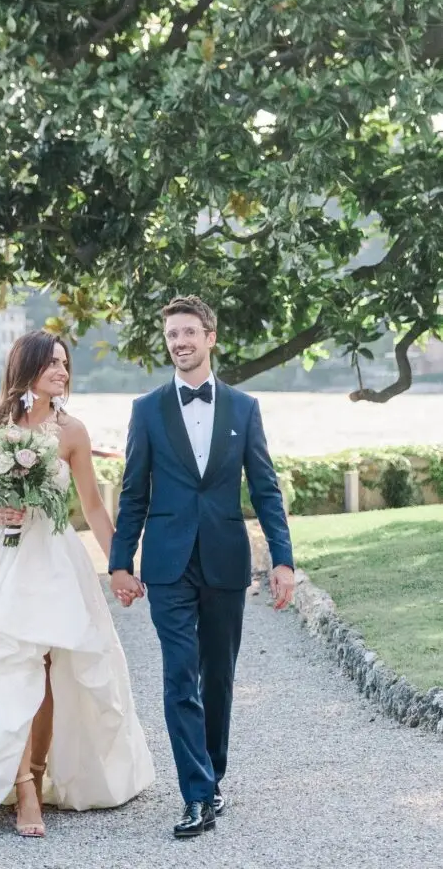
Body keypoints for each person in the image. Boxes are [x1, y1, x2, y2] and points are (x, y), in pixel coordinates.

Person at [0, 330, 154, 837]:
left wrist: (121, 565)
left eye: (66, 363)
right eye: (53, 363)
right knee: (4, 664)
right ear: (27, 368)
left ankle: (35, 780)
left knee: (45, 664)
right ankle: (19, 788)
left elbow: (92, 507)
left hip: (52, 556)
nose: (63, 371)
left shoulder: (72, 431)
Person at [109, 295, 295, 839]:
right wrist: (121, 563)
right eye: (172, 335)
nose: (180, 342)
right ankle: (195, 794)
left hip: (225, 561)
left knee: (219, 675)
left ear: (210, 337)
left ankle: (213, 776)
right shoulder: (146, 410)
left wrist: (282, 560)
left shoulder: (244, 409)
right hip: (166, 564)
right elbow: (133, 493)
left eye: (189, 332)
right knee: (178, 675)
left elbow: (265, 489)